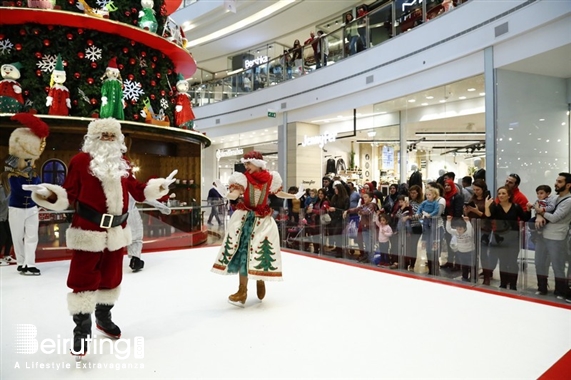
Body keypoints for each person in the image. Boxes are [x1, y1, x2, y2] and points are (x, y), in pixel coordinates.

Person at [24, 118, 176, 358]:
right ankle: (81, 329)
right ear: (92, 137)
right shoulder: (80, 161)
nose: (107, 138)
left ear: (118, 139)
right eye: (102, 134)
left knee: (111, 279)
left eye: (111, 135)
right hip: (88, 231)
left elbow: (136, 189)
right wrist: (49, 195)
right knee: (83, 280)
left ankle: (103, 319)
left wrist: (159, 187)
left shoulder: (123, 162)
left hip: (116, 232)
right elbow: (69, 194)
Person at [211, 151, 303, 307]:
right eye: (245, 163)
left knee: (260, 251)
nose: (246, 166)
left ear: (258, 163)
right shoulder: (243, 179)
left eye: (248, 163)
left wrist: (293, 196)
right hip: (245, 220)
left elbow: (278, 192)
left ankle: (260, 280)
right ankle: (242, 291)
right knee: (243, 254)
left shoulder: (271, 178)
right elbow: (235, 194)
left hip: (263, 221)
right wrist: (225, 193)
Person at [5, 113, 50, 275]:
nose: (29, 163)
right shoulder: (12, 175)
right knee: (17, 237)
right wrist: (34, 188)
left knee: (32, 237)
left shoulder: (34, 174)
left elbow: (37, 188)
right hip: (16, 208)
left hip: (31, 209)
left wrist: (40, 190)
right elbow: (18, 189)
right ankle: (21, 261)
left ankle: (29, 263)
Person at [484, 186, 531, 290]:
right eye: (499, 193)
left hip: (513, 237)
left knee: (513, 261)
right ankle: (503, 283)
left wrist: (528, 210)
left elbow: (525, 218)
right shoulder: (495, 207)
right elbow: (488, 216)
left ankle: (513, 284)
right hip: (499, 237)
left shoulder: (516, 206)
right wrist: (487, 206)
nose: (501, 195)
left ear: (509, 195)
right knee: (503, 261)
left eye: (503, 193)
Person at [533, 173, 571, 300]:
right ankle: (542, 287)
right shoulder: (554, 198)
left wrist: (540, 212)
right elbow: (539, 204)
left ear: (568, 185)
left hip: (556, 238)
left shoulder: (569, 201)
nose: (556, 183)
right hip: (542, 235)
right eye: (556, 181)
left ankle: (560, 291)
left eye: (560, 181)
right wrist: (539, 214)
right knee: (539, 263)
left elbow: (554, 218)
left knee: (557, 265)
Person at [126, 194, 171, 272]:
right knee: (136, 237)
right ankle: (135, 259)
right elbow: (143, 196)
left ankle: (108, 261)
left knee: (112, 239)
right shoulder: (129, 184)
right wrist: (162, 207)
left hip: (113, 214)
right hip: (130, 213)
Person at [344, 192, 378, 263]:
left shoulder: (372, 205)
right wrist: (347, 211)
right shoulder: (364, 206)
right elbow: (355, 209)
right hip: (364, 227)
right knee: (366, 243)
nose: (364, 199)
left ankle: (370, 258)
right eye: (363, 197)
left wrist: (360, 212)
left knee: (370, 244)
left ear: (370, 198)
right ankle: (367, 257)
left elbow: (367, 212)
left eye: (366, 197)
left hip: (370, 228)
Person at [441, 179, 465, 271]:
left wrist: (454, 222)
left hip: (455, 223)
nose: (446, 187)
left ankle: (458, 264)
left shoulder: (457, 196)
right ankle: (450, 261)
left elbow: (458, 210)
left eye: (448, 185)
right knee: (448, 242)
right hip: (447, 222)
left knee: (456, 244)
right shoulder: (444, 197)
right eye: (445, 185)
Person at [446, 216, 475, 282]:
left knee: (471, 265)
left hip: (470, 251)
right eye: (457, 229)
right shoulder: (456, 232)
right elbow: (449, 230)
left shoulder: (468, 233)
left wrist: (467, 221)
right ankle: (464, 277)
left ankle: (473, 277)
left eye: (460, 229)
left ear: (465, 228)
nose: (459, 231)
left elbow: (471, 229)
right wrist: (448, 221)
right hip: (461, 252)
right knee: (464, 265)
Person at [327, 183, 349, 258]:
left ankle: (340, 251)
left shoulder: (346, 198)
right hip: (334, 218)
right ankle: (337, 248)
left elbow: (346, 210)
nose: (335, 190)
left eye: (336, 189)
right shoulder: (334, 197)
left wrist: (335, 209)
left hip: (341, 219)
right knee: (334, 234)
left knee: (337, 234)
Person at [0, 171, 14, 266]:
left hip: (6, 217)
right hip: (0, 217)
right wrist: (12, 193)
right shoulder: (1, 189)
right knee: (3, 237)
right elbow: (4, 202)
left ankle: (7, 255)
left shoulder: (8, 189)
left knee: (10, 235)